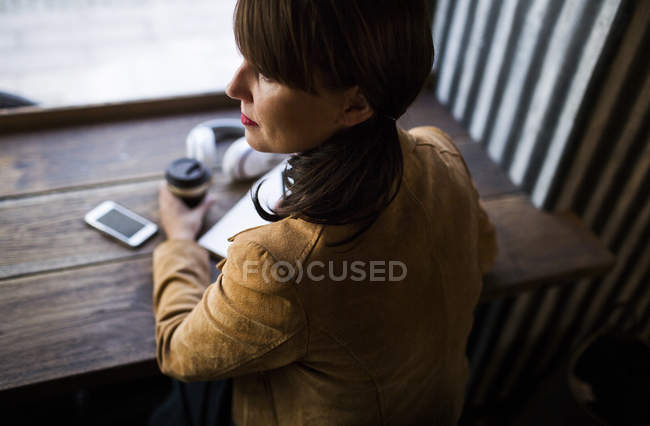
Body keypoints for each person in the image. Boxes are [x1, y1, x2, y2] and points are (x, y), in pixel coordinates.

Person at [151, 0, 498, 425]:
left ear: (354, 106)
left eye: (267, 71)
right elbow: (485, 254)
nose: (234, 86)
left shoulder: (277, 264)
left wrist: (180, 241)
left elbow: (176, 351)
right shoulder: (438, 151)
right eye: (245, 55)